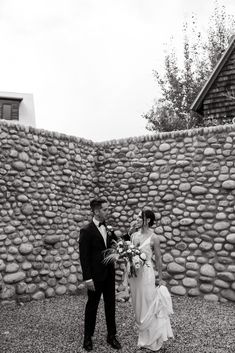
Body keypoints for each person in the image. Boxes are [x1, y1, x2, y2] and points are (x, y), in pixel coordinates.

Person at [79, 198, 121, 352]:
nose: (107, 211)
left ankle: (112, 336)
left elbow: (120, 243)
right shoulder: (86, 231)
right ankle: (87, 338)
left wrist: (131, 232)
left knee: (110, 306)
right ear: (96, 211)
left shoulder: (108, 229)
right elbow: (84, 257)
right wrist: (88, 278)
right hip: (95, 277)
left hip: (109, 274)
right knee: (92, 307)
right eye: (105, 209)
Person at [128, 209, 173, 352]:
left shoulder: (154, 238)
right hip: (135, 275)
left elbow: (158, 259)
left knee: (148, 302)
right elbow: (130, 254)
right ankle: (143, 337)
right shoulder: (133, 235)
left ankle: (153, 339)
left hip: (147, 274)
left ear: (147, 220)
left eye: (139, 217)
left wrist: (160, 278)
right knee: (137, 304)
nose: (136, 219)